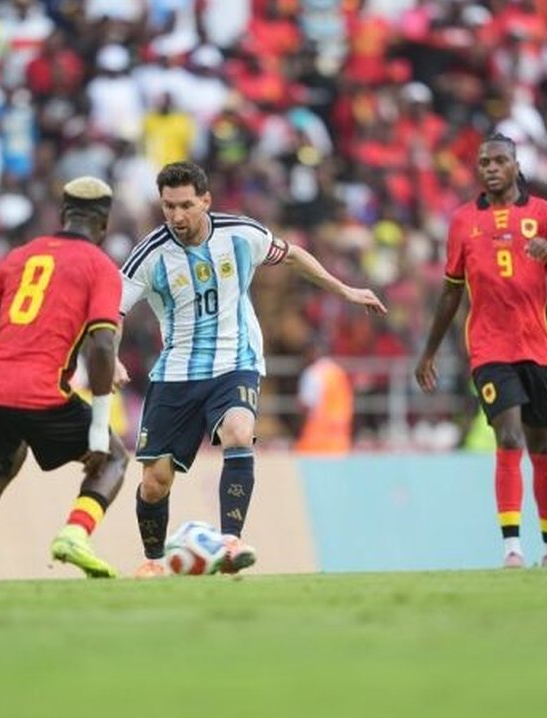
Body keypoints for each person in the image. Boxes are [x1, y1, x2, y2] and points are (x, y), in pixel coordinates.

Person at [121, 161, 387, 577]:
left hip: (236, 360)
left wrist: (345, 289)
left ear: (206, 201)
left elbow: (293, 255)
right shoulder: (150, 255)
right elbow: (112, 310)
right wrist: (114, 358)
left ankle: (230, 542)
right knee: (156, 481)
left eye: (186, 205)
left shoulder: (241, 234)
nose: (176, 216)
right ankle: (154, 561)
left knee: (239, 431)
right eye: (168, 207)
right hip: (176, 371)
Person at [0, 177, 130, 583]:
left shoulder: (21, 255)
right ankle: (75, 533)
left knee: (5, 460)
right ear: (104, 225)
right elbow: (103, 347)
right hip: (41, 394)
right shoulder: (101, 267)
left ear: (62, 215)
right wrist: (98, 434)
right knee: (116, 457)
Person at [415, 134, 547, 569]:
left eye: (498, 161)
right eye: (483, 162)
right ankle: (512, 546)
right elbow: (451, 293)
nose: (490, 168)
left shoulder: (545, 214)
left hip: (538, 348)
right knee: (508, 436)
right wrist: (429, 351)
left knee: (543, 445)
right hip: (490, 349)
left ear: (515, 165)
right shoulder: (462, 222)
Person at [295, 342, 354, 455]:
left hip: (316, 440)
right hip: (340, 439)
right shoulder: (338, 372)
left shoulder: (312, 373)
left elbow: (306, 404)